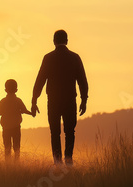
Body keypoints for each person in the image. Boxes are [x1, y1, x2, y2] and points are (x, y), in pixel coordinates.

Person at [31, 30, 89, 165]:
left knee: (55, 132)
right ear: (67, 40)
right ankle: (68, 160)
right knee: (70, 131)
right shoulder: (75, 57)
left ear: (54, 41)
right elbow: (83, 81)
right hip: (70, 100)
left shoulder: (48, 58)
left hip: (54, 101)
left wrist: (34, 101)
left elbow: (40, 80)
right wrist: (84, 100)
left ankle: (57, 162)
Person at [0, 79, 34, 161]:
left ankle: (8, 164)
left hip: (6, 127)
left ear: (5, 90)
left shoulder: (3, 101)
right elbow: (24, 110)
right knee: (16, 147)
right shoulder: (18, 100)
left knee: (7, 147)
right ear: (16, 90)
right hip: (16, 127)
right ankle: (16, 163)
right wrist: (31, 113)